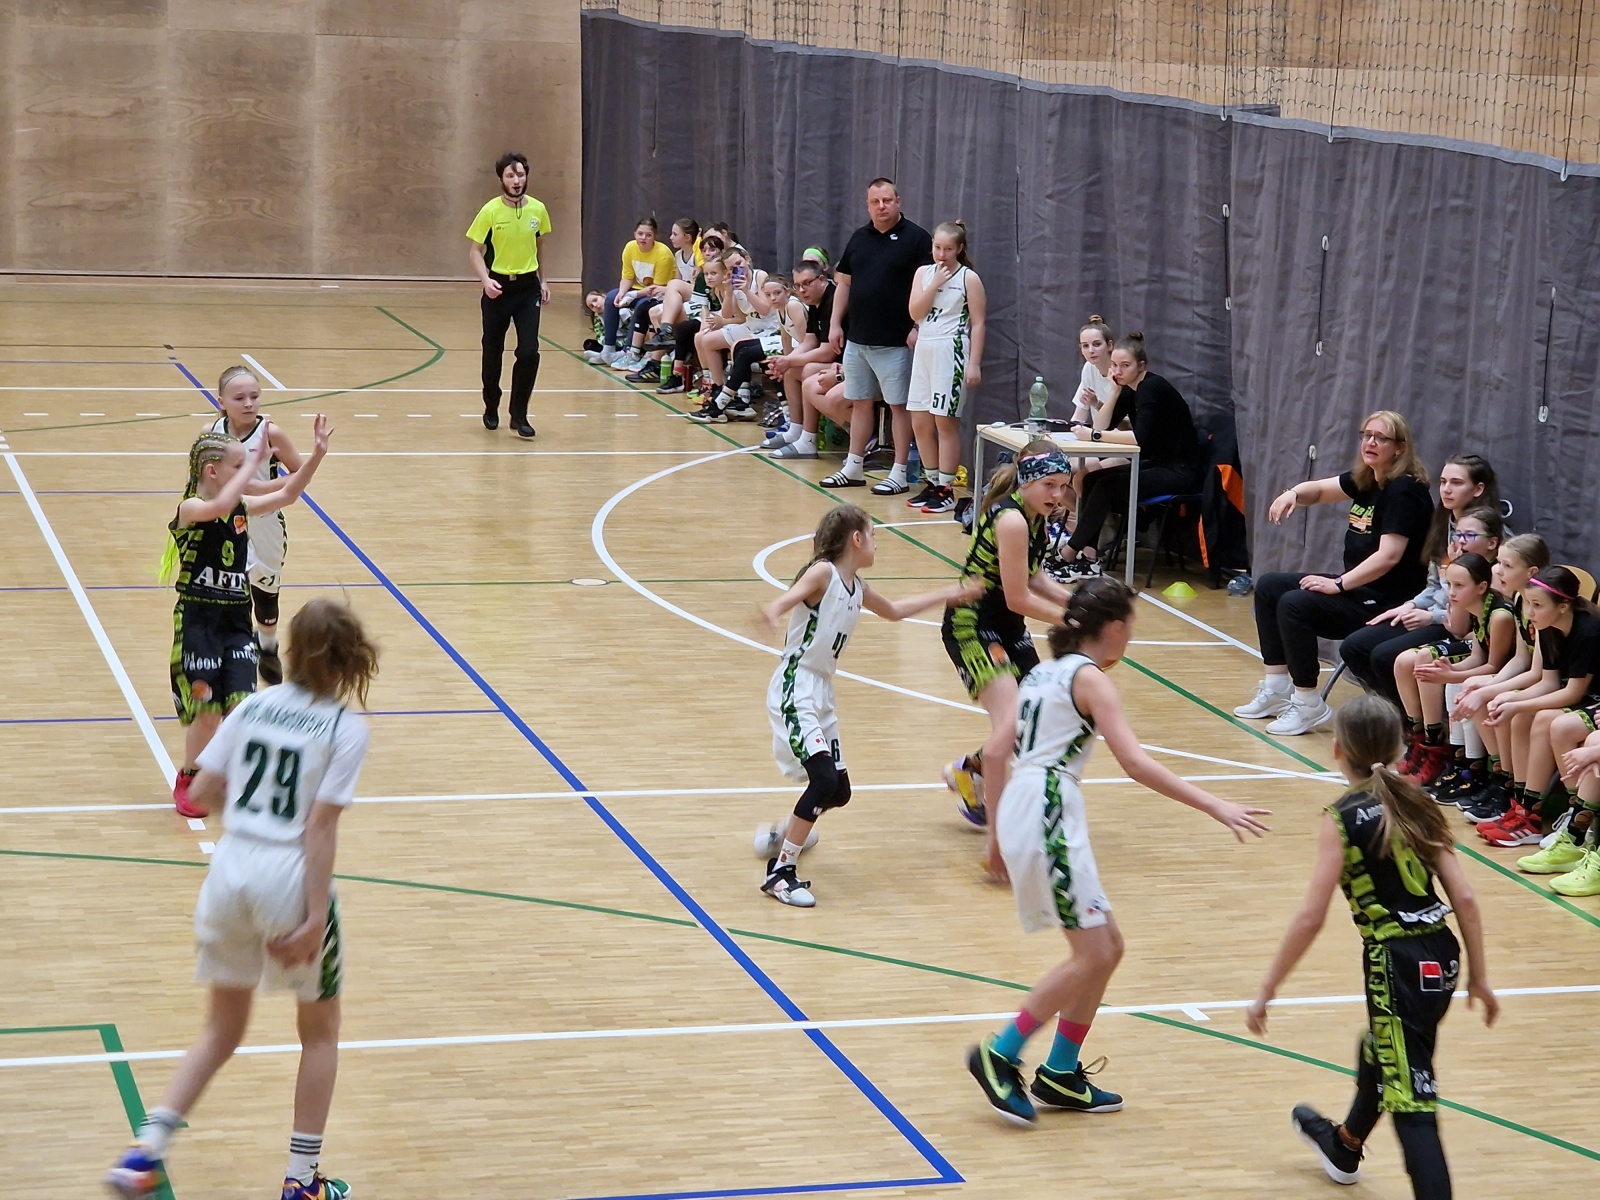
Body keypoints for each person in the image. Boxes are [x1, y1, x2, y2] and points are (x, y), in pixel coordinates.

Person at [967, 579, 1270, 1123]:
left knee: (1107, 948)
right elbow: (1135, 763)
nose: (1130, 636)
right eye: (1130, 626)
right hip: (1048, 807)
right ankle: (999, 1052)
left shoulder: (1039, 674)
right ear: (1112, 628)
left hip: (1024, 805)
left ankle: (1060, 1071)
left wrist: (995, 835)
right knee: (1091, 955)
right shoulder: (1090, 679)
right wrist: (1214, 804)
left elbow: (994, 751)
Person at [105, 598, 378, 1200]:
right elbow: (320, 829)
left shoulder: (253, 704)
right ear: (349, 660)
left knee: (221, 1029)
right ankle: (301, 1182)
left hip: (229, 870)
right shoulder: (344, 729)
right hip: (287, 876)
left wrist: (252, 816)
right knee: (321, 1032)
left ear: (294, 651)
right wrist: (313, 917)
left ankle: (144, 1151)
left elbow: (201, 793)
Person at [1246, 694, 1497, 1200]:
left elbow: (1311, 917)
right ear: (1401, 747)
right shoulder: (1418, 802)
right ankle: (1345, 1145)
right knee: (1381, 1049)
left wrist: (1267, 988)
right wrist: (1480, 977)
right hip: (1442, 955)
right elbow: (1465, 897)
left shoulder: (1342, 817)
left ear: (1338, 750)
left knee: (1412, 1102)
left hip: (1396, 963)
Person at [754, 505, 979, 905]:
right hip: (796, 685)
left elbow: (895, 612)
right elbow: (792, 595)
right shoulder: (824, 573)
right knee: (822, 781)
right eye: (873, 535)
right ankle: (781, 873)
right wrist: (774, 609)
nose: (877, 543)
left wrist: (949, 593)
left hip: (821, 691)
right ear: (856, 539)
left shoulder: (857, 587)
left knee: (838, 791)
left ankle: (787, 834)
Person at [164, 419, 333, 819]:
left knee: (240, 709)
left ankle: (222, 772)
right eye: (238, 466)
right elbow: (220, 507)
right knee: (208, 713)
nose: (247, 474)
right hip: (199, 621)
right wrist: (254, 461)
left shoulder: (239, 506)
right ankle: (189, 777)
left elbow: (288, 493)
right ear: (212, 472)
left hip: (237, 621)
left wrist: (316, 456)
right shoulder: (192, 508)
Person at [1234, 410, 1433, 737]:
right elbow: (1320, 491)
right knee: (1269, 586)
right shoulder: (1367, 479)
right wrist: (1293, 494)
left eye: (1380, 438)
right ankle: (1277, 687)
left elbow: (1389, 556)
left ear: (1399, 447)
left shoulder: (1404, 491)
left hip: (1388, 600)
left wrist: (1339, 584)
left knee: (1296, 603)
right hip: (1361, 589)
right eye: (1366, 435)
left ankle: (1307, 702)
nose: (1370, 442)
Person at [940, 443, 1075, 831]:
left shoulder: (1033, 517)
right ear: (1027, 481)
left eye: (1063, 486)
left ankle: (972, 769)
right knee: (1013, 721)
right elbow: (1019, 597)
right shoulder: (1012, 520)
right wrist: (1073, 620)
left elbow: (1034, 576)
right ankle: (1004, 829)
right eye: (1049, 485)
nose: (1057, 495)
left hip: (1008, 627)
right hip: (972, 626)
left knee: (1035, 716)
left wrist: (1080, 604)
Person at [1339, 455, 1501, 705]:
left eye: (1456, 483)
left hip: (1458, 623)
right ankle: (1396, 713)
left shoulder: (1484, 536)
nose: (1446, 489)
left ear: (1478, 489)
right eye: (1443, 482)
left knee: (1384, 656)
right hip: (1434, 612)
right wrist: (1410, 606)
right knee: (1354, 647)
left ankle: (1410, 720)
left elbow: (1482, 604)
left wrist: (1430, 616)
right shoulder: (1442, 526)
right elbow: (1434, 584)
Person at [1053, 332, 1203, 578]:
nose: (1118, 371)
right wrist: (1113, 393)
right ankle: (1089, 556)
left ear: (1141, 366)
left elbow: (1138, 438)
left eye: (1125, 366)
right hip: (1157, 463)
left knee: (1106, 486)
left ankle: (1069, 551)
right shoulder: (1129, 389)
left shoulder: (1151, 388)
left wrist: (1094, 436)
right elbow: (1102, 425)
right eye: (1114, 365)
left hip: (1180, 470)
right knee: (1091, 479)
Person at [1472, 565, 1600, 848]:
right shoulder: (1548, 626)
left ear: (1563, 606)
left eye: (1537, 605)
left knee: (1548, 721)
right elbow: (1548, 682)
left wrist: (1519, 705)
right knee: (1522, 716)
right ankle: (1525, 811)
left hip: (1593, 699)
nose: (1529, 612)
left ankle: (1579, 815)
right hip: (1579, 697)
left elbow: (1573, 692)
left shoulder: (1588, 631)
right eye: (1528, 603)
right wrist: (1512, 700)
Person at [823, 178, 933, 494]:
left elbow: (929, 290)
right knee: (860, 403)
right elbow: (844, 284)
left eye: (887, 200)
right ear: (868, 205)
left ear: (898, 201)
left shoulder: (917, 239)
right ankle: (853, 466)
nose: (881, 206)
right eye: (875, 201)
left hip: (896, 341)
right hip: (858, 339)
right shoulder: (860, 237)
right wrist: (835, 324)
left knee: (899, 407)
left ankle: (899, 472)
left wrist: (917, 327)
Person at [209, 367, 304, 687]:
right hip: (224, 521)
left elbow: (299, 472)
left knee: (265, 592)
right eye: (240, 398)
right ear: (221, 401)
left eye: (255, 396)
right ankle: (232, 648)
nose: (249, 403)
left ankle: (268, 647)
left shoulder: (271, 433)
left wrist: (262, 490)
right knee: (227, 588)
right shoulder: (211, 432)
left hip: (264, 523)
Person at [1450, 534, 1552, 822]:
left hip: (1556, 683)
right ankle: (1499, 777)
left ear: (1531, 572)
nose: (1497, 571)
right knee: (1477, 690)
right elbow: (1521, 659)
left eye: (1507, 565)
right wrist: (1485, 686)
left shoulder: (1541, 606)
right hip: (1536, 677)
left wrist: (1490, 690)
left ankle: (1512, 789)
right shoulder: (1520, 598)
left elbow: (1540, 673)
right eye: (1499, 563)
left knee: (1499, 702)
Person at [1390, 549, 1508, 787]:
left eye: (1459, 586)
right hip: (1492, 666)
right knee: (1432, 670)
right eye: (1449, 585)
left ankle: (1479, 769)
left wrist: (1452, 675)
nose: (1451, 592)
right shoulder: (1477, 608)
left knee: (1457, 681)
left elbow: (1493, 665)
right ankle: (1437, 748)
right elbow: (1476, 656)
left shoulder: (1499, 615)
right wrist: (1450, 672)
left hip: (1509, 674)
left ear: (1482, 587)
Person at [465, 151, 551, 438]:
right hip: (498, 289)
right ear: (501, 179)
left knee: (529, 351)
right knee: (492, 351)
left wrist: (544, 281)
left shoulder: (538, 209)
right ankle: (491, 405)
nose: (516, 181)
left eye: (520, 175)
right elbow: (475, 252)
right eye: (510, 175)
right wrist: (485, 280)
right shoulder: (490, 211)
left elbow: (540, 246)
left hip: (527, 289)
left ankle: (519, 413)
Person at [905, 220, 987, 515]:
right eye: (937, 248)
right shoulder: (923, 273)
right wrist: (934, 284)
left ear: (959, 249)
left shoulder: (968, 278)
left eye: (948, 249)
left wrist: (974, 363)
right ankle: (931, 483)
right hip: (925, 349)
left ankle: (947, 489)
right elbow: (915, 312)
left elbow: (979, 323)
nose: (941, 254)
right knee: (920, 421)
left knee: (945, 422)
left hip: (951, 350)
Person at [762, 260, 840, 457]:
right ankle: (796, 430)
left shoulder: (833, 301)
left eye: (807, 283)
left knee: (807, 370)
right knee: (791, 371)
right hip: (833, 360)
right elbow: (809, 341)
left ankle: (809, 439)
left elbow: (828, 352)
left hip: (844, 362)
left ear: (822, 279)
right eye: (798, 285)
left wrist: (789, 361)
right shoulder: (814, 303)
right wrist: (784, 361)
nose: (802, 290)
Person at [1063, 315, 1125, 529]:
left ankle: (1095, 530)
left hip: (1122, 446)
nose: (1091, 350)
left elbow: (1127, 424)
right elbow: (1078, 417)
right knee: (1054, 470)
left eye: (1097, 344)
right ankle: (1094, 524)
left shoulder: (1122, 373)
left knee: (1083, 478)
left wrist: (1097, 404)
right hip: (1099, 443)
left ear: (1110, 345)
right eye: (1085, 346)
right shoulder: (1089, 370)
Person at [601, 217, 675, 369]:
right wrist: (622, 293)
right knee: (611, 298)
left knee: (641, 306)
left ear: (655, 236)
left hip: (659, 293)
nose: (643, 238)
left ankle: (629, 351)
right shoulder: (630, 247)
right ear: (634, 233)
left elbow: (656, 288)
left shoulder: (663, 254)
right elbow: (627, 277)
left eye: (648, 235)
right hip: (638, 289)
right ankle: (608, 348)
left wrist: (632, 296)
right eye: (640, 234)